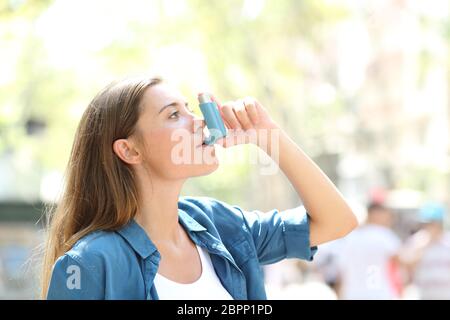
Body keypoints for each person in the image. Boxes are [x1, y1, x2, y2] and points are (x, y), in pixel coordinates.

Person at [41, 76, 357, 299]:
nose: (197, 121)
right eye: (174, 114)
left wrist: (267, 135)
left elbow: (337, 221)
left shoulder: (222, 227)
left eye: (190, 109)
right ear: (130, 151)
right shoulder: (90, 265)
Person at [336, 203, 402, 299]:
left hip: (352, 295)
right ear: (377, 214)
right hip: (379, 294)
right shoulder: (384, 235)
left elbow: (341, 273)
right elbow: (402, 261)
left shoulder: (350, 238)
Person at [400, 202, 450, 299]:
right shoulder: (416, 241)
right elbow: (407, 266)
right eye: (427, 224)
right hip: (424, 294)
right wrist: (423, 246)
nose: (431, 227)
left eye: (434, 223)